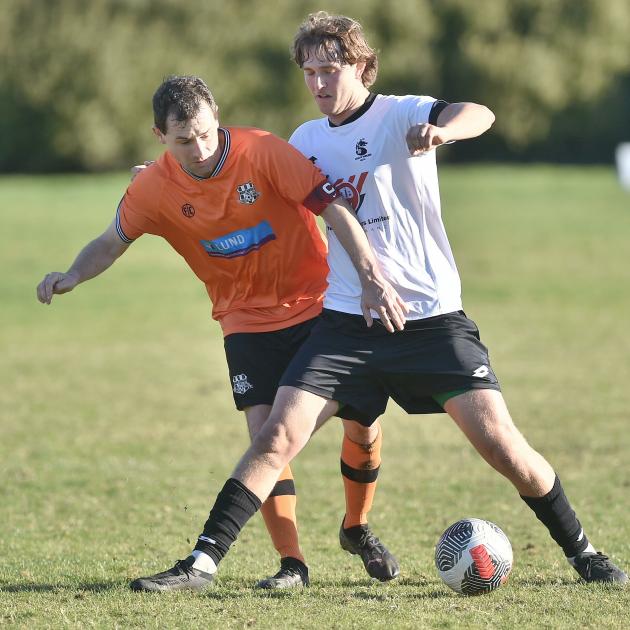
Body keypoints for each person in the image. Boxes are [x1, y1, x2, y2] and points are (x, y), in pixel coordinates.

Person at [129, 15, 628, 592]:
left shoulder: (402, 112)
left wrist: (446, 133)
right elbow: (244, 182)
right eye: (309, 72)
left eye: (330, 69)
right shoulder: (305, 141)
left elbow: (480, 113)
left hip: (431, 320)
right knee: (275, 437)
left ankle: (584, 552)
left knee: (502, 446)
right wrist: (170, 175)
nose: (318, 82)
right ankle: (202, 564)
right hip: (346, 323)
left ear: (362, 67)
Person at [36, 75, 406, 590]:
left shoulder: (263, 152)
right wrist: (73, 274)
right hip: (244, 322)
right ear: (159, 136)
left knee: (362, 424)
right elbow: (110, 241)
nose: (200, 149)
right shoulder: (153, 187)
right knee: (266, 439)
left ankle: (357, 526)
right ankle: (292, 564)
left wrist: (369, 279)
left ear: (217, 116)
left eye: (207, 134)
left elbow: (331, 207)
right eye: (183, 140)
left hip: (319, 307)